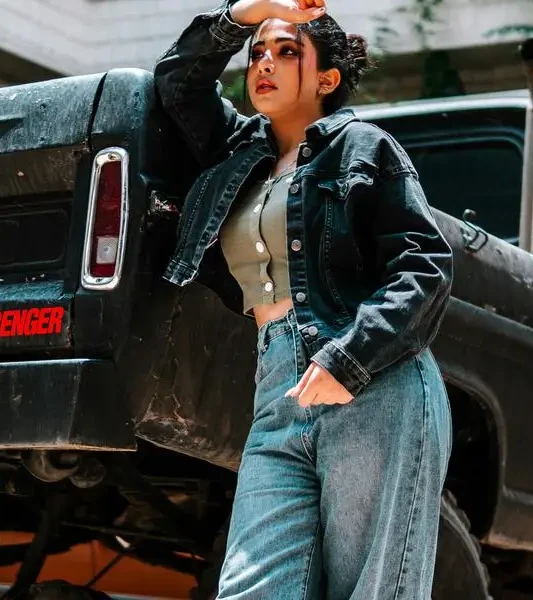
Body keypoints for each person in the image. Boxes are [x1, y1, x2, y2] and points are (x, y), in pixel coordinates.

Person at [153, 0, 454, 597]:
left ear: (327, 78)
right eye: (258, 51)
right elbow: (178, 80)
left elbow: (425, 265)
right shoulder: (238, 152)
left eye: (287, 51)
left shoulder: (362, 146)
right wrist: (252, 11)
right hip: (275, 394)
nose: (264, 62)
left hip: (372, 386)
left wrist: (348, 359)